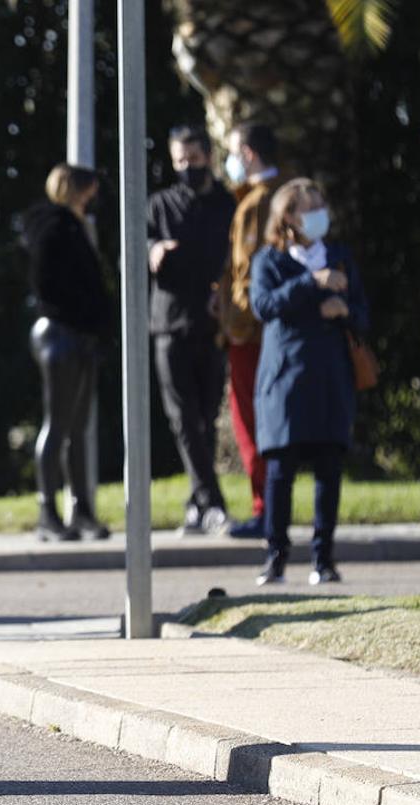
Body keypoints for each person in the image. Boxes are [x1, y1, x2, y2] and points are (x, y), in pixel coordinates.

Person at [250, 179, 369, 586]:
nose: (319, 215)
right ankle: (275, 556)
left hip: (330, 376)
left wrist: (344, 310)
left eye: (321, 205)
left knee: (328, 469)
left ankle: (324, 558)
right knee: (280, 471)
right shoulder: (269, 260)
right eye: (309, 208)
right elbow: (264, 306)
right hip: (285, 377)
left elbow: (363, 315)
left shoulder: (339, 257)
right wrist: (312, 283)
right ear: (288, 216)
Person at [147, 125, 237, 536]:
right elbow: (134, 250)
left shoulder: (227, 205)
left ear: (209, 158)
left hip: (212, 324)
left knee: (203, 416)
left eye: (193, 160)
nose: (186, 168)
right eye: (179, 161)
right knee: (181, 417)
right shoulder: (159, 205)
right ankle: (212, 503)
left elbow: (238, 259)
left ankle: (196, 504)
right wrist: (154, 251)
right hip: (168, 323)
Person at [23, 163, 111, 542]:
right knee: (57, 423)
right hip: (59, 332)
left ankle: (81, 509)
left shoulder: (76, 228)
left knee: (76, 427)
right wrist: (81, 314)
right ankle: (47, 511)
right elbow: (48, 281)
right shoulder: (54, 226)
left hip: (79, 334)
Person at [220, 122, 291, 540]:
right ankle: (268, 507)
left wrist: (236, 322)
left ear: (247, 153)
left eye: (232, 152)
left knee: (252, 420)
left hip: (252, 333)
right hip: (268, 328)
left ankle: (266, 508)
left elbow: (248, 274)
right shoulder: (281, 194)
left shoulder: (258, 202)